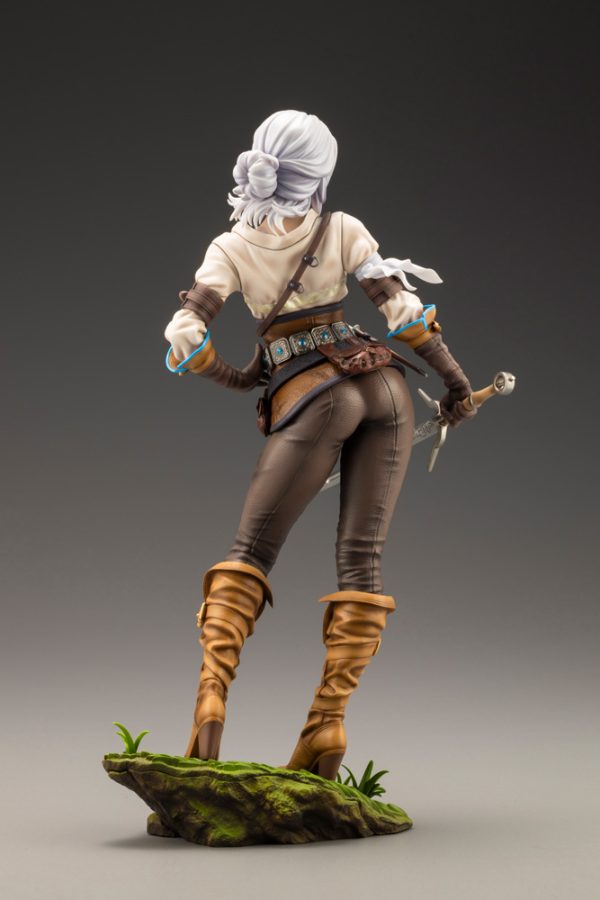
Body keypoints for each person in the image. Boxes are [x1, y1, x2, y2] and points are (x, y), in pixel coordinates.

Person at [164, 110, 476, 780]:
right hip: (385, 385)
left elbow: (188, 327)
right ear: (319, 177)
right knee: (362, 560)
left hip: (314, 394)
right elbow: (403, 314)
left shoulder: (230, 248)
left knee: (251, 551)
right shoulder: (343, 228)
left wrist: (219, 367)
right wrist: (455, 383)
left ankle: (210, 706)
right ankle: (326, 726)